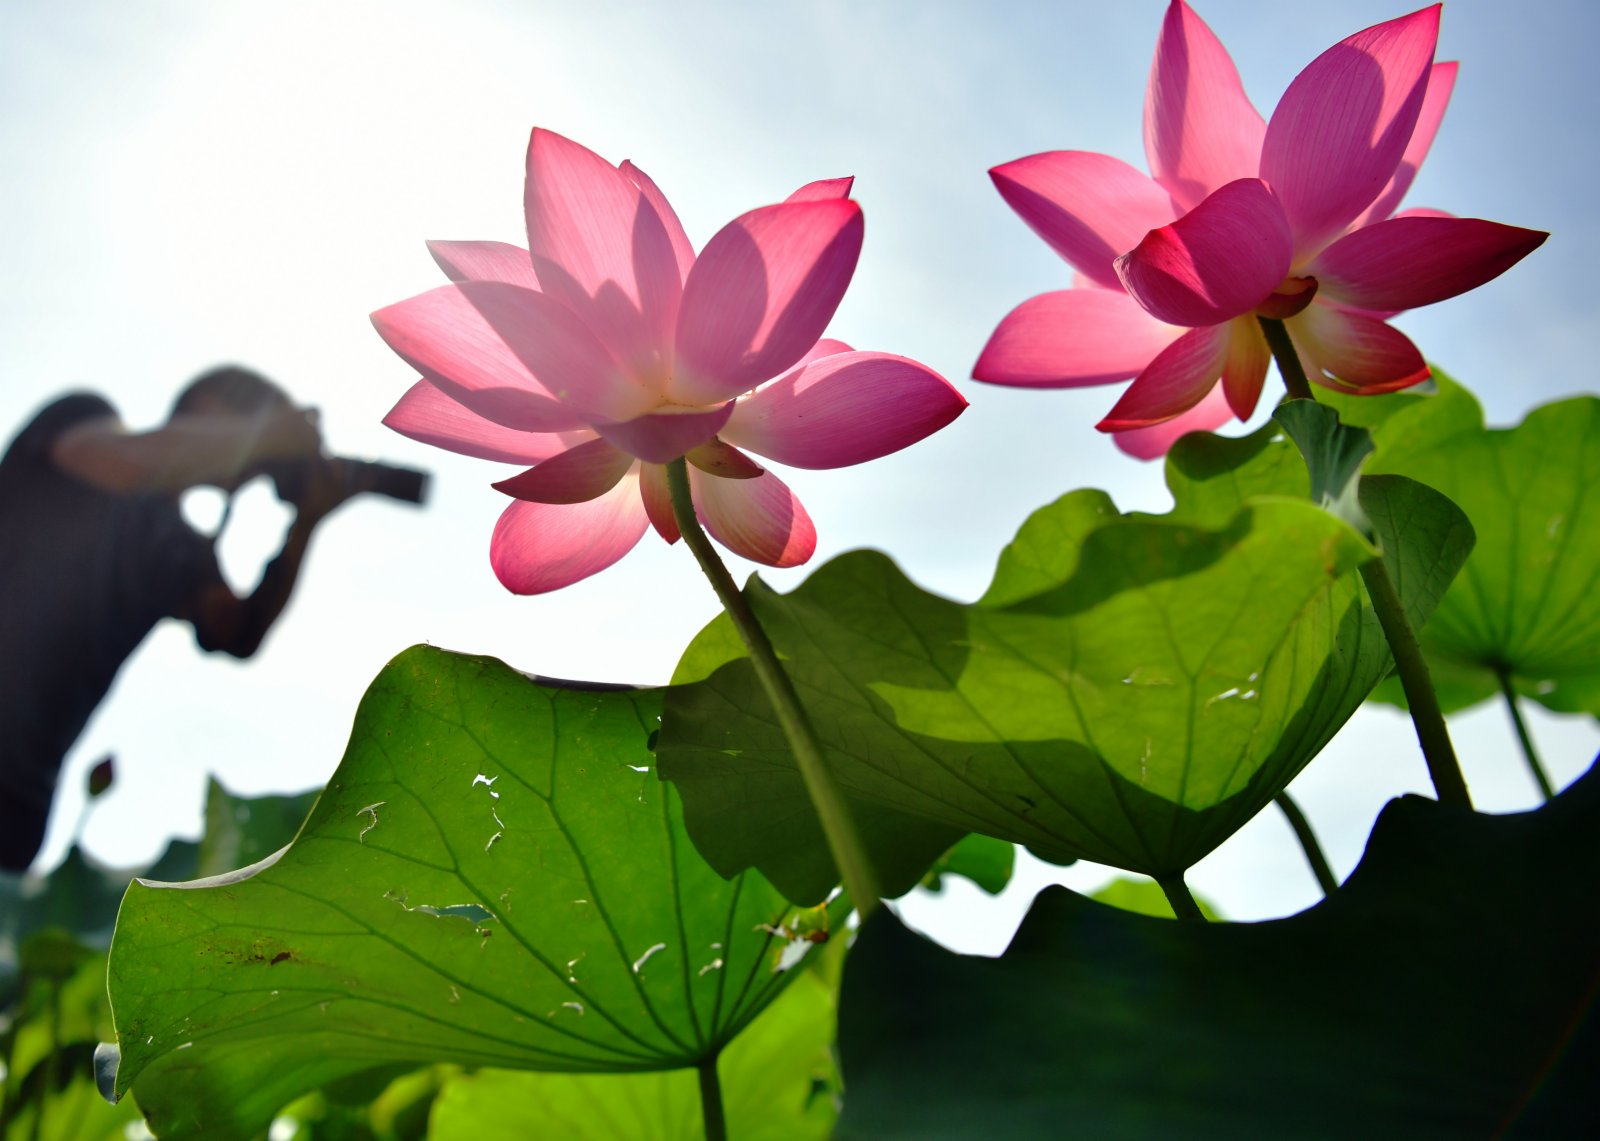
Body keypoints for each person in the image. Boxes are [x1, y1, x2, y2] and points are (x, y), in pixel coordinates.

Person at [0, 366, 361, 872]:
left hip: (18, 804)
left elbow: (237, 632)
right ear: (210, 407)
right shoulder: (84, 419)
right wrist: (268, 436)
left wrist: (306, 523)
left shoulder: (180, 547)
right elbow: (129, 465)